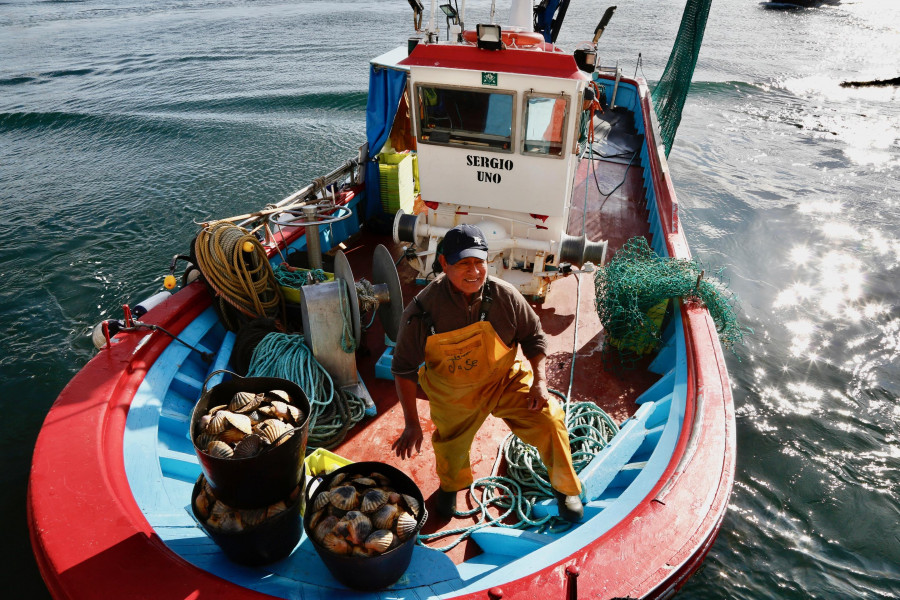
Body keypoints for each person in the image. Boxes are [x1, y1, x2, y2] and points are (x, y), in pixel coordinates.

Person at [390, 224, 584, 522]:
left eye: (479, 261)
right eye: (463, 263)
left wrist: (540, 383)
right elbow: (403, 369)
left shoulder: (506, 295)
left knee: (550, 418)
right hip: (453, 393)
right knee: (451, 447)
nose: (474, 271)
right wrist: (411, 424)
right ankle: (450, 488)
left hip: (503, 379)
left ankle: (565, 488)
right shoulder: (421, 311)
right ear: (443, 263)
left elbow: (533, 336)